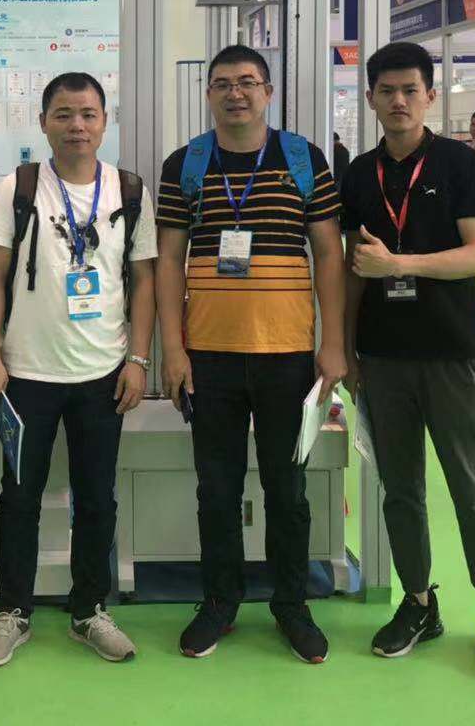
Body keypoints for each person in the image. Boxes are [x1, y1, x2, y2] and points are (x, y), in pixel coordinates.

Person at [338, 40, 475, 683]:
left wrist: (400, 263)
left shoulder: (460, 164)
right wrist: (345, 348)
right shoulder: (359, 176)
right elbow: (353, 269)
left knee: (472, 489)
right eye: (387, 91)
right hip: (383, 360)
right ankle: (419, 602)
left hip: (452, 355)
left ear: (430, 96)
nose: (398, 101)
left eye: (410, 91)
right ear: (370, 98)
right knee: (401, 491)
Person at [156, 45, 346, 665]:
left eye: (246, 82)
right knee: (216, 489)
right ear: (208, 94)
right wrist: (173, 350)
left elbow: (329, 254)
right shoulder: (186, 164)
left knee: (288, 489)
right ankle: (220, 600)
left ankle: (292, 604)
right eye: (222, 84)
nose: (234, 93)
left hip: (288, 355)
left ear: (268, 91)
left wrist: (332, 346)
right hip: (208, 357)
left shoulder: (303, 159)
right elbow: (168, 261)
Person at [0, 72, 158, 667]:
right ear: (44, 122)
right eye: (63, 114)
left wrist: (138, 360)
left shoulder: (129, 191)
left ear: (104, 121)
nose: (76, 125)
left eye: (87, 114)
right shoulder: (19, 187)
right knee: (18, 498)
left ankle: (89, 610)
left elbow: (146, 282)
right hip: (25, 375)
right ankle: (13, 611)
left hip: (103, 373)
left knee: (97, 498)